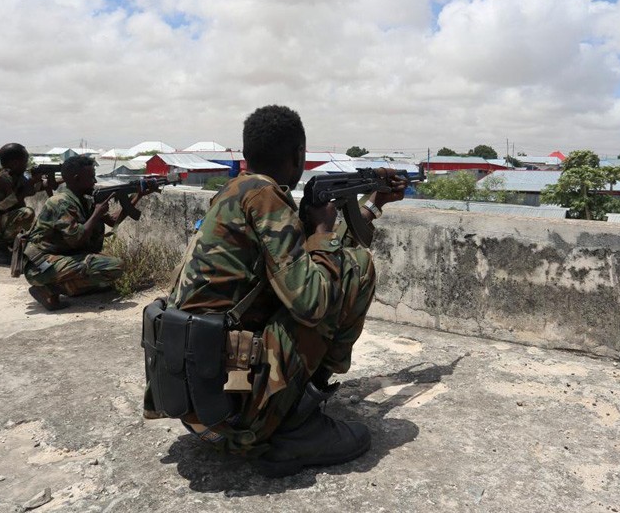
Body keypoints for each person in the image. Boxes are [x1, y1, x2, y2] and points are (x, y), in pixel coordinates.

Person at [143, 105, 405, 477]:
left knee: (334, 268)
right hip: (236, 417)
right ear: (299, 154)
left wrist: (372, 206)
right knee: (355, 269)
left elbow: (298, 261)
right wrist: (322, 231)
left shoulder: (237, 192)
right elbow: (313, 301)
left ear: (247, 154)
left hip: (199, 403)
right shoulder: (266, 198)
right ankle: (295, 423)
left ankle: (281, 407)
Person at [22, 154, 156, 311]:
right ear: (77, 178)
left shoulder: (84, 198)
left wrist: (138, 194)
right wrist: (96, 214)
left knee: (105, 276)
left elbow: (113, 220)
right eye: (91, 177)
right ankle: (48, 290)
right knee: (114, 266)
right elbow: (77, 239)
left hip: (60, 258)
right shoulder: (61, 202)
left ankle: (67, 288)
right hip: (41, 266)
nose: (95, 181)